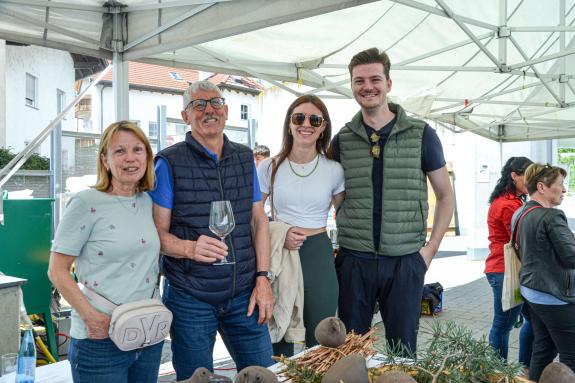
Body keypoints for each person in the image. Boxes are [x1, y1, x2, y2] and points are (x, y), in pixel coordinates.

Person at [329, 47, 454, 355]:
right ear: (352, 85)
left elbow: (445, 194)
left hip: (405, 261)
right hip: (354, 261)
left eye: (375, 79)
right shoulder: (342, 139)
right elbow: (334, 193)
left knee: (402, 351)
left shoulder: (421, 134)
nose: (367, 86)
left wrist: (429, 251)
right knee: (350, 351)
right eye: (359, 81)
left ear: (388, 83)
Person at [149, 81, 274, 380]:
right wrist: (190, 249)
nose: (209, 110)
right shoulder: (169, 162)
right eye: (199, 105)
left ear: (227, 112)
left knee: (265, 375)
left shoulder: (245, 159)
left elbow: (259, 221)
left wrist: (263, 278)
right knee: (196, 379)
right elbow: (155, 234)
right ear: (185, 116)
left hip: (244, 292)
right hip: (191, 298)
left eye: (215, 103)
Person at [48, 121, 162, 382]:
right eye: (119, 151)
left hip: (147, 336)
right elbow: (57, 270)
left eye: (137, 150)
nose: (130, 158)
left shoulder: (146, 202)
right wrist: (91, 318)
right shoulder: (86, 203)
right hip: (100, 339)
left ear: (147, 157)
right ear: (105, 160)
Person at [258, 95, 345, 356]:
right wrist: (278, 234)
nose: (306, 124)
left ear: (322, 128)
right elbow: (254, 215)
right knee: (280, 327)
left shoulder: (334, 170)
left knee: (322, 333)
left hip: (317, 252)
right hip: (280, 251)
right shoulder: (269, 166)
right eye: (299, 117)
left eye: (314, 119)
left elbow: (343, 214)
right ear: (289, 124)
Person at [513, 163, 575, 381]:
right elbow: (571, 257)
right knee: (571, 354)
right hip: (554, 296)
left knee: (544, 347)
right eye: (560, 184)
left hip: (532, 292)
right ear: (542, 187)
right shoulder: (552, 217)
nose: (564, 190)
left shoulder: (521, 212)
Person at [485, 157, 534, 366]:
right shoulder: (507, 204)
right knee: (503, 325)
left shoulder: (512, 200)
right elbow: (519, 242)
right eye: (528, 177)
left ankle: (525, 369)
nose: (532, 183)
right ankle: (498, 372)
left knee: (533, 321)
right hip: (505, 272)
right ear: (514, 175)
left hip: (507, 271)